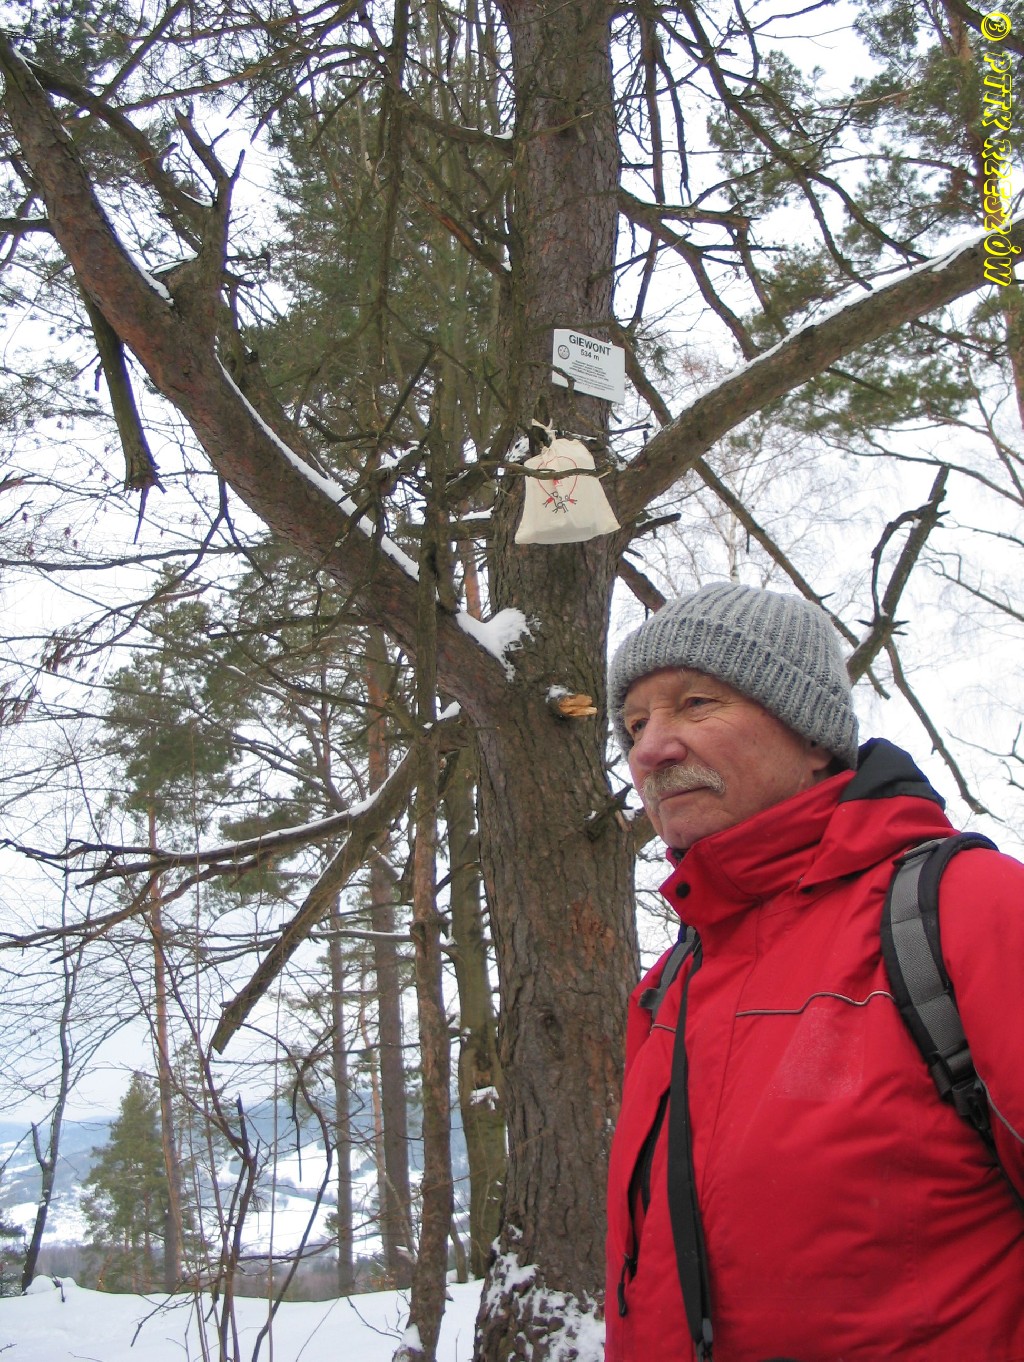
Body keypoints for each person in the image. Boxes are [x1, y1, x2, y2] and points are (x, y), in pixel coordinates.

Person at [604, 582, 1024, 1362]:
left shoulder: (969, 910)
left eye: (696, 703)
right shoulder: (667, 989)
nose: (651, 750)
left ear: (813, 736)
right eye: (634, 725)